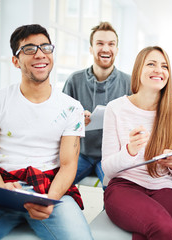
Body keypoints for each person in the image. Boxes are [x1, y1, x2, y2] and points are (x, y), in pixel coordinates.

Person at [0, 24, 93, 240]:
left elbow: (69, 164)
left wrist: (49, 200)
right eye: (29, 49)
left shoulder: (72, 108)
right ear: (16, 60)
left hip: (49, 188)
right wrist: (2, 190)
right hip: (3, 186)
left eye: (45, 47)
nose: (40, 54)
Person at [101, 46, 172, 239]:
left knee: (157, 230)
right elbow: (107, 168)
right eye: (151, 64)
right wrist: (129, 151)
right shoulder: (115, 108)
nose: (159, 70)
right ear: (138, 70)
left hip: (164, 189)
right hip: (123, 187)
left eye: (164, 66)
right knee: (164, 229)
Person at [63, 21, 131, 186]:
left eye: (111, 44)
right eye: (100, 43)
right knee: (56, 184)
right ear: (91, 48)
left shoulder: (129, 82)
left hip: (112, 156)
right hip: (81, 154)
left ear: (117, 49)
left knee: (116, 191)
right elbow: (60, 119)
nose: (106, 49)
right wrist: (77, 122)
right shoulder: (74, 80)